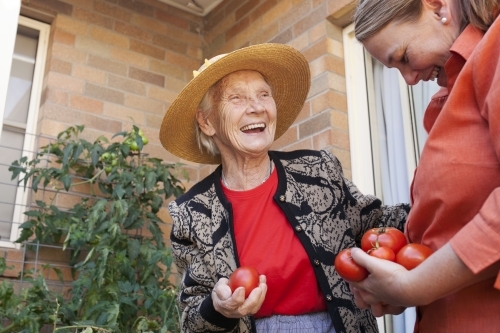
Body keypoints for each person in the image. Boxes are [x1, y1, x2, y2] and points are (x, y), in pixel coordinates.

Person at [159, 43, 410, 333]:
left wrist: (440, 206)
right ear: (207, 121)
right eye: (237, 98)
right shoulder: (192, 213)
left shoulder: (317, 170)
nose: (257, 107)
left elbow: (377, 225)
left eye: (264, 94)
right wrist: (217, 307)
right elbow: (191, 318)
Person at [348, 0, 500, 332]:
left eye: (403, 57)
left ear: (437, 7)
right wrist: (404, 280)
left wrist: (415, 286)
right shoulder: (452, 93)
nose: (409, 79)